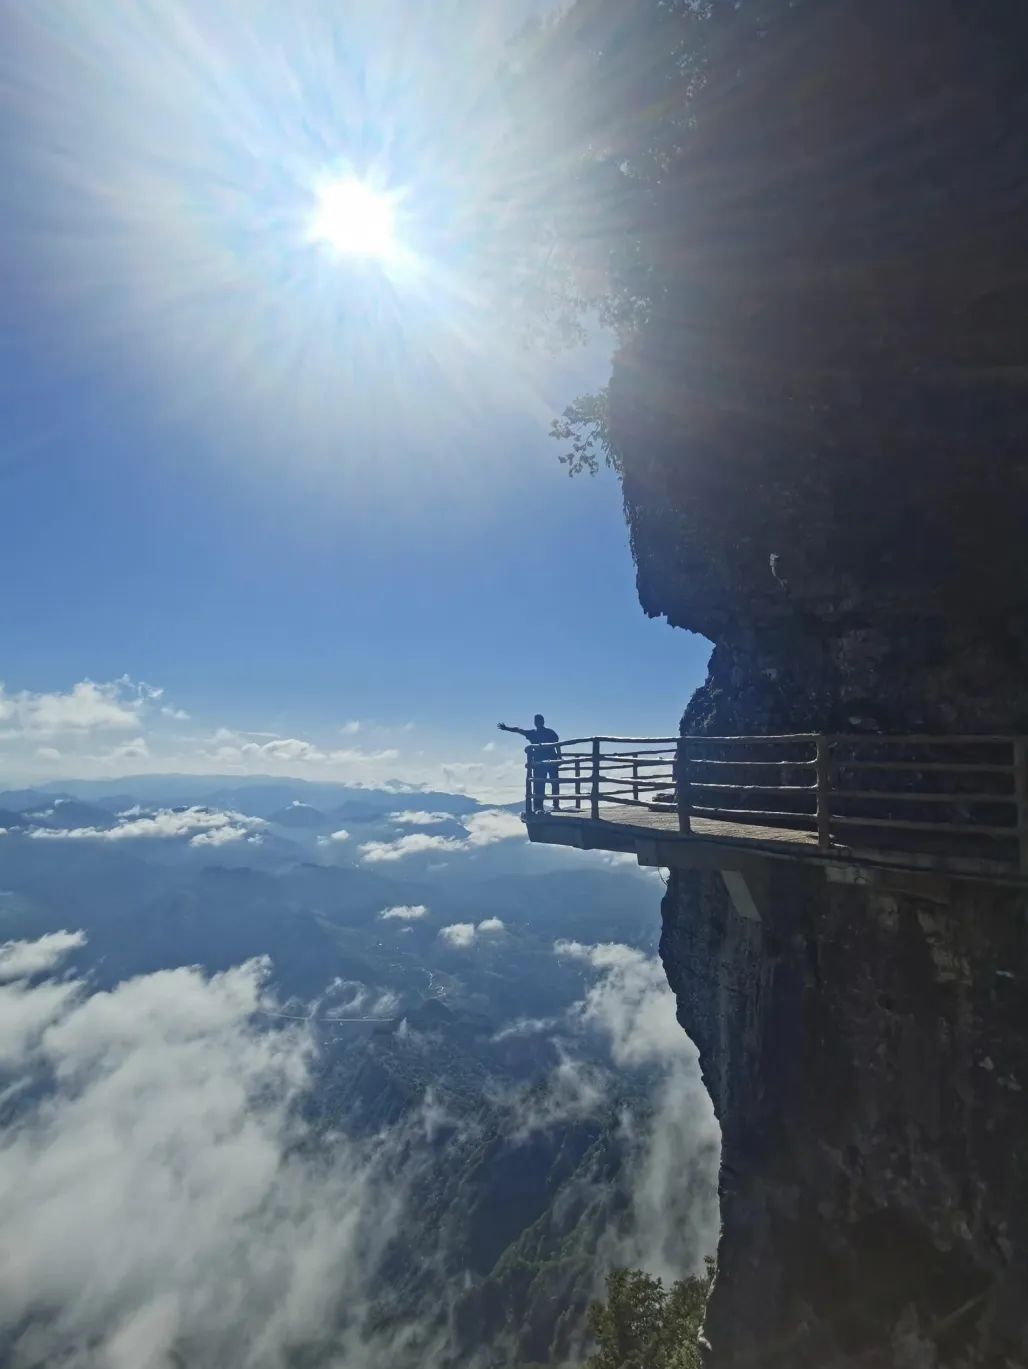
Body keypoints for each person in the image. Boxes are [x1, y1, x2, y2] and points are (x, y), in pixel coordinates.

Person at [498, 714, 561, 813]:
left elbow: (518, 730)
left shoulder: (533, 733)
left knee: (540, 783)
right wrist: (559, 756)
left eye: (538, 721)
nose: (538, 723)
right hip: (549, 761)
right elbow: (557, 744)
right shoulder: (549, 732)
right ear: (542, 722)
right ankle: (551, 806)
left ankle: (540, 807)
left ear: (536, 722)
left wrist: (506, 728)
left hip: (540, 762)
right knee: (551, 783)